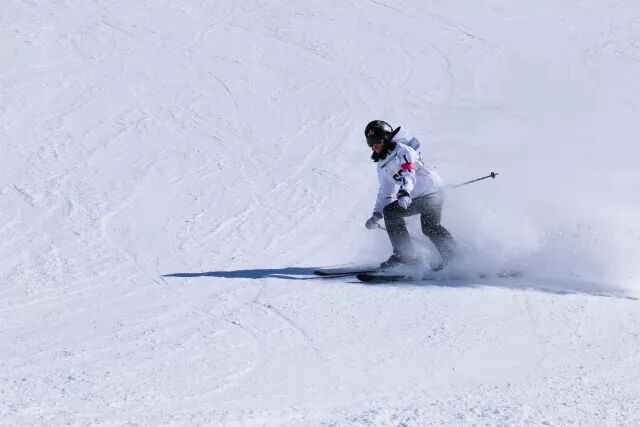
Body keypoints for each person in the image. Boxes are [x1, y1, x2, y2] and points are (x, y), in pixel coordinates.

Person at [363, 120, 456, 269]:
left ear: (386, 138)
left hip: (430, 192)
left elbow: (408, 172)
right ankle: (453, 257)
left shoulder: (402, 150)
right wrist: (376, 214)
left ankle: (405, 257)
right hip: (420, 195)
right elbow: (385, 191)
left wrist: (405, 191)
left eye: (377, 141)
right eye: (371, 143)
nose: (374, 146)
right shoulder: (382, 164)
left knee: (393, 213)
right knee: (429, 226)